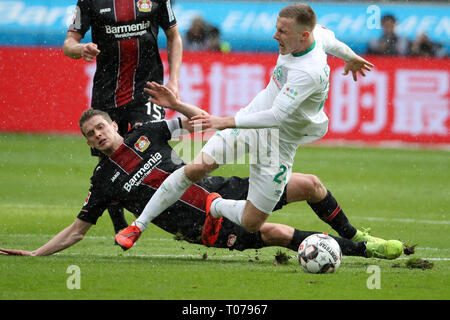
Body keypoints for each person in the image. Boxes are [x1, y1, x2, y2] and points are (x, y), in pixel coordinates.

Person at [115, 3, 378, 249]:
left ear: (304, 36)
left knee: (252, 222)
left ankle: (215, 206)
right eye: (277, 28)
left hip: (278, 141)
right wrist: (352, 57)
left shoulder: (307, 72)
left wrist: (223, 121)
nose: (275, 35)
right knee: (196, 167)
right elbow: (333, 43)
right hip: (251, 119)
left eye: (283, 32)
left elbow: (276, 117)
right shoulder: (315, 37)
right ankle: (138, 226)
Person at [0, 105, 403, 260]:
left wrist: (176, 104)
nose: (97, 136)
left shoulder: (148, 133)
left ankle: (355, 234)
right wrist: (37, 254)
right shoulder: (104, 179)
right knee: (278, 233)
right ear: (89, 143)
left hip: (225, 189)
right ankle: (363, 251)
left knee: (311, 184)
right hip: (203, 227)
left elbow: (200, 120)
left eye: (100, 127)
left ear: (113, 126)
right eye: (90, 135)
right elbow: (77, 230)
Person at [62, 0, 183, 234]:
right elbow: (69, 44)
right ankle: (118, 222)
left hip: (148, 90)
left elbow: (174, 35)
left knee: (147, 146)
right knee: (109, 160)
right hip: (107, 95)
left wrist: (174, 80)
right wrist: (81, 49)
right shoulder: (90, 2)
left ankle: (177, 208)